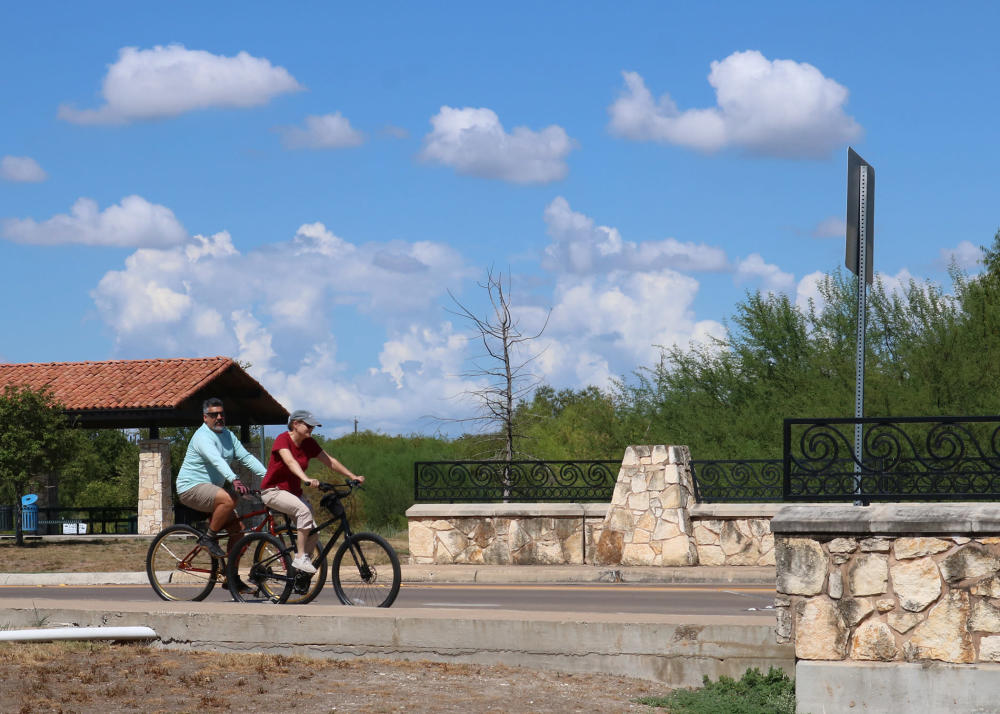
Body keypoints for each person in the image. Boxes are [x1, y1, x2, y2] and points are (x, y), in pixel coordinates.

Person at [260, 409, 365, 573]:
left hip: (293, 494)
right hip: (273, 491)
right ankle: (300, 557)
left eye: (313, 426)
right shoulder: (282, 439)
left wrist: (353, 476)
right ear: (295, 424)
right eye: (308, 425)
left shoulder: (309, 443)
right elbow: (290, 462)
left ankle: (299, 574)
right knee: (304, 511)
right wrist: (306, 479)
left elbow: (329, 461)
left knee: (313, 532)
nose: (311, 428)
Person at [176, 397, 266, 559]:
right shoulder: (202, 436)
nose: (219, 417)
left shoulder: (228, 435)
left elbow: (246, 457)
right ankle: (208, 538)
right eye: (214, 415)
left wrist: (268, 477)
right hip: (190, 488)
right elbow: (216, 459)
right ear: (205, 417)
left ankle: (230, 577)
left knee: (239, 533)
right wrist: (234, 479)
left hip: (212, 491)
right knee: (230, 498)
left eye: (222, 414)